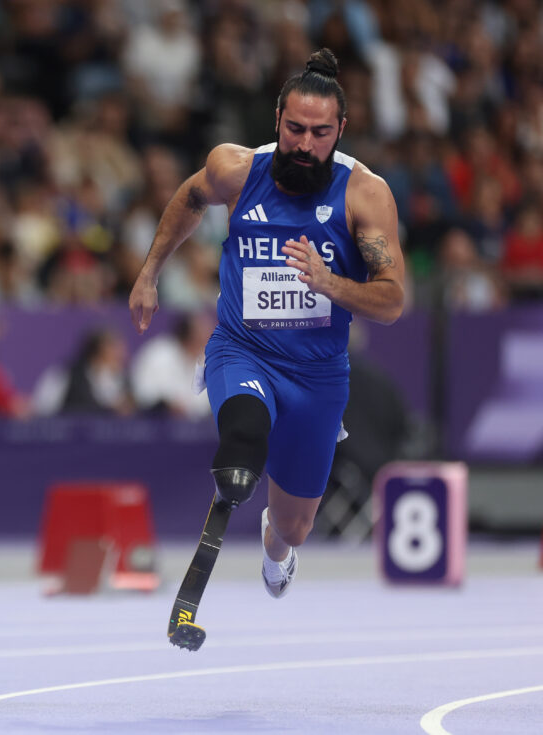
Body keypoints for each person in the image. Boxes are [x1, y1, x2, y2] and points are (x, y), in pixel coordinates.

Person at [129, 48, 404, 599]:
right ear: (277, 118)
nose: (305, 145)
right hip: (242, 349)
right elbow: (189, 197)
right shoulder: (237, 168)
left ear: (341, 129)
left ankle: (276, 545)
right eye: (295, 129)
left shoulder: (364, 193)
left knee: (293, 524)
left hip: (317, 375)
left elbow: (393, 299)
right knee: (245, 433)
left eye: (320, 133)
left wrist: (331, 284)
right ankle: (240, 467)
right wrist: (150, 272)